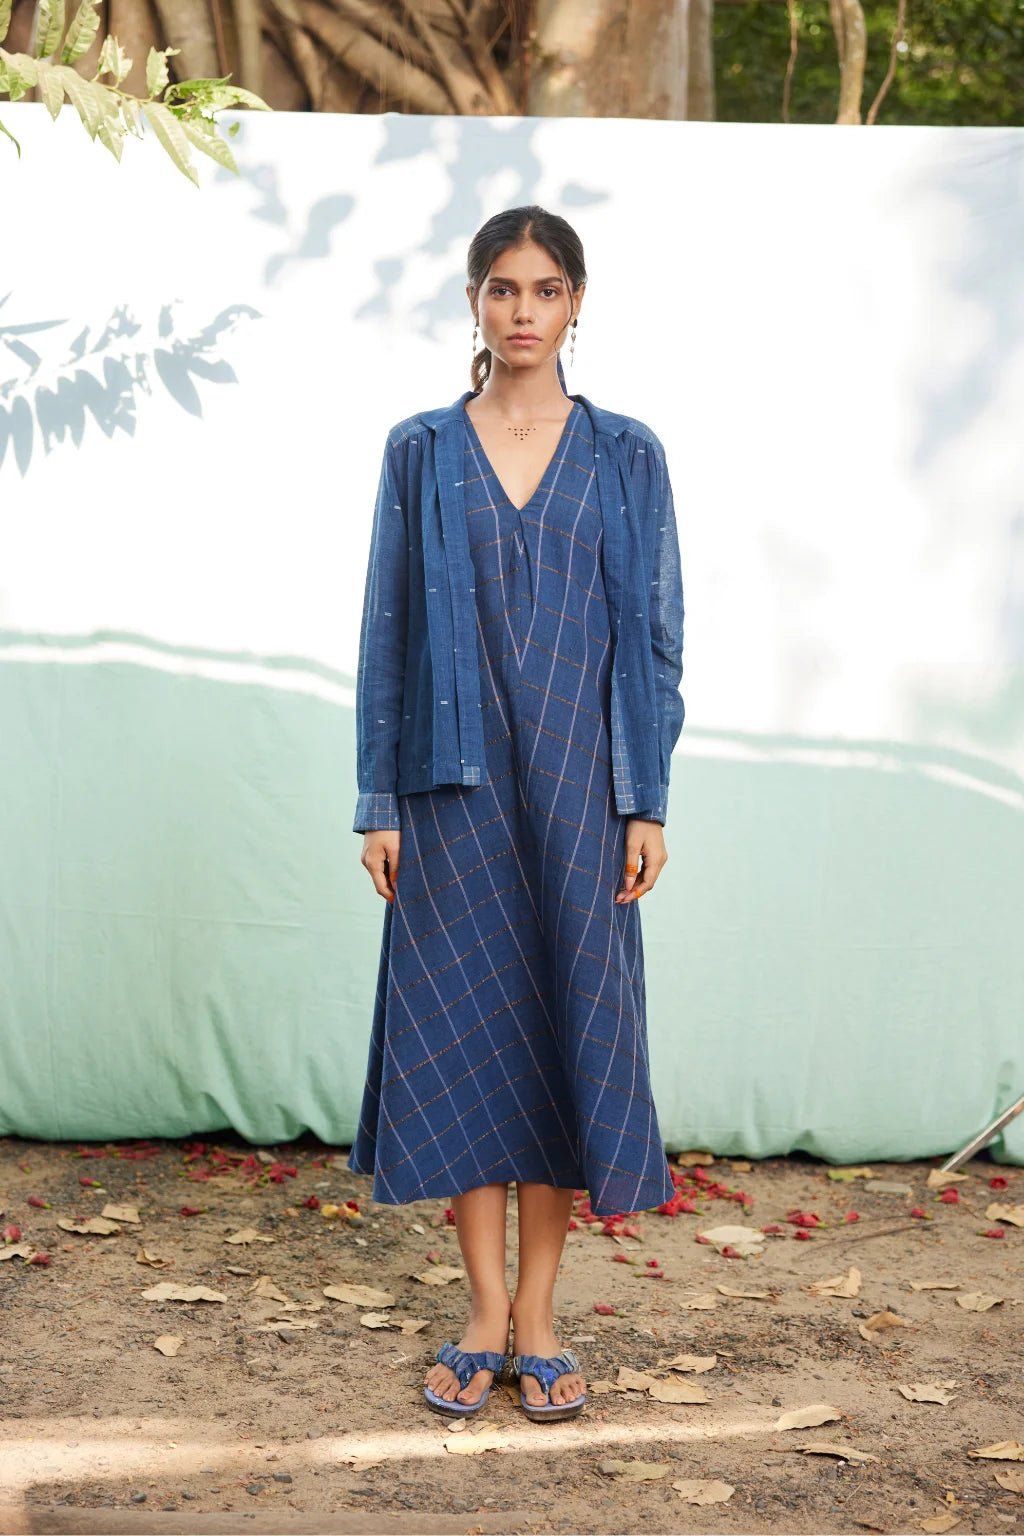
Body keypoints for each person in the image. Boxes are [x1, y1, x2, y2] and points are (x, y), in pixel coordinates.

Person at [347, 205, 685, 1423]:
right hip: (450, 793)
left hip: (584, 793)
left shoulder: (627, 455)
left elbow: (654, 638)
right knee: (462, 1042)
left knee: (560, 1040)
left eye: (545, 289)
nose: (523, 310)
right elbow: (387, 630)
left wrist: (645, 801)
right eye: (503, 288)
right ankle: (482, 1313)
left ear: (576, 302)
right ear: (474, 302)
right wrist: (378, 798)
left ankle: (539, 1315)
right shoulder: (421, 451)